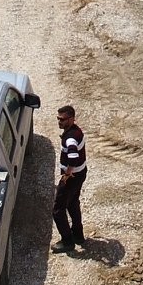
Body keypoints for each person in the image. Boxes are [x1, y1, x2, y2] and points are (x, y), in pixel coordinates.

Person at [51, 105, 87, 254]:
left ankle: (67, 241)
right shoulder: (77, 131)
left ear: (71, 119)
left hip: (72, 177)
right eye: (58, 119)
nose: (59, 122)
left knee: (58, 210)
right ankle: (78, 235)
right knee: (72, 203)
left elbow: (73, 158)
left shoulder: (70, 138)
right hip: (81, 174)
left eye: (62, 119)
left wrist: (67, 175)